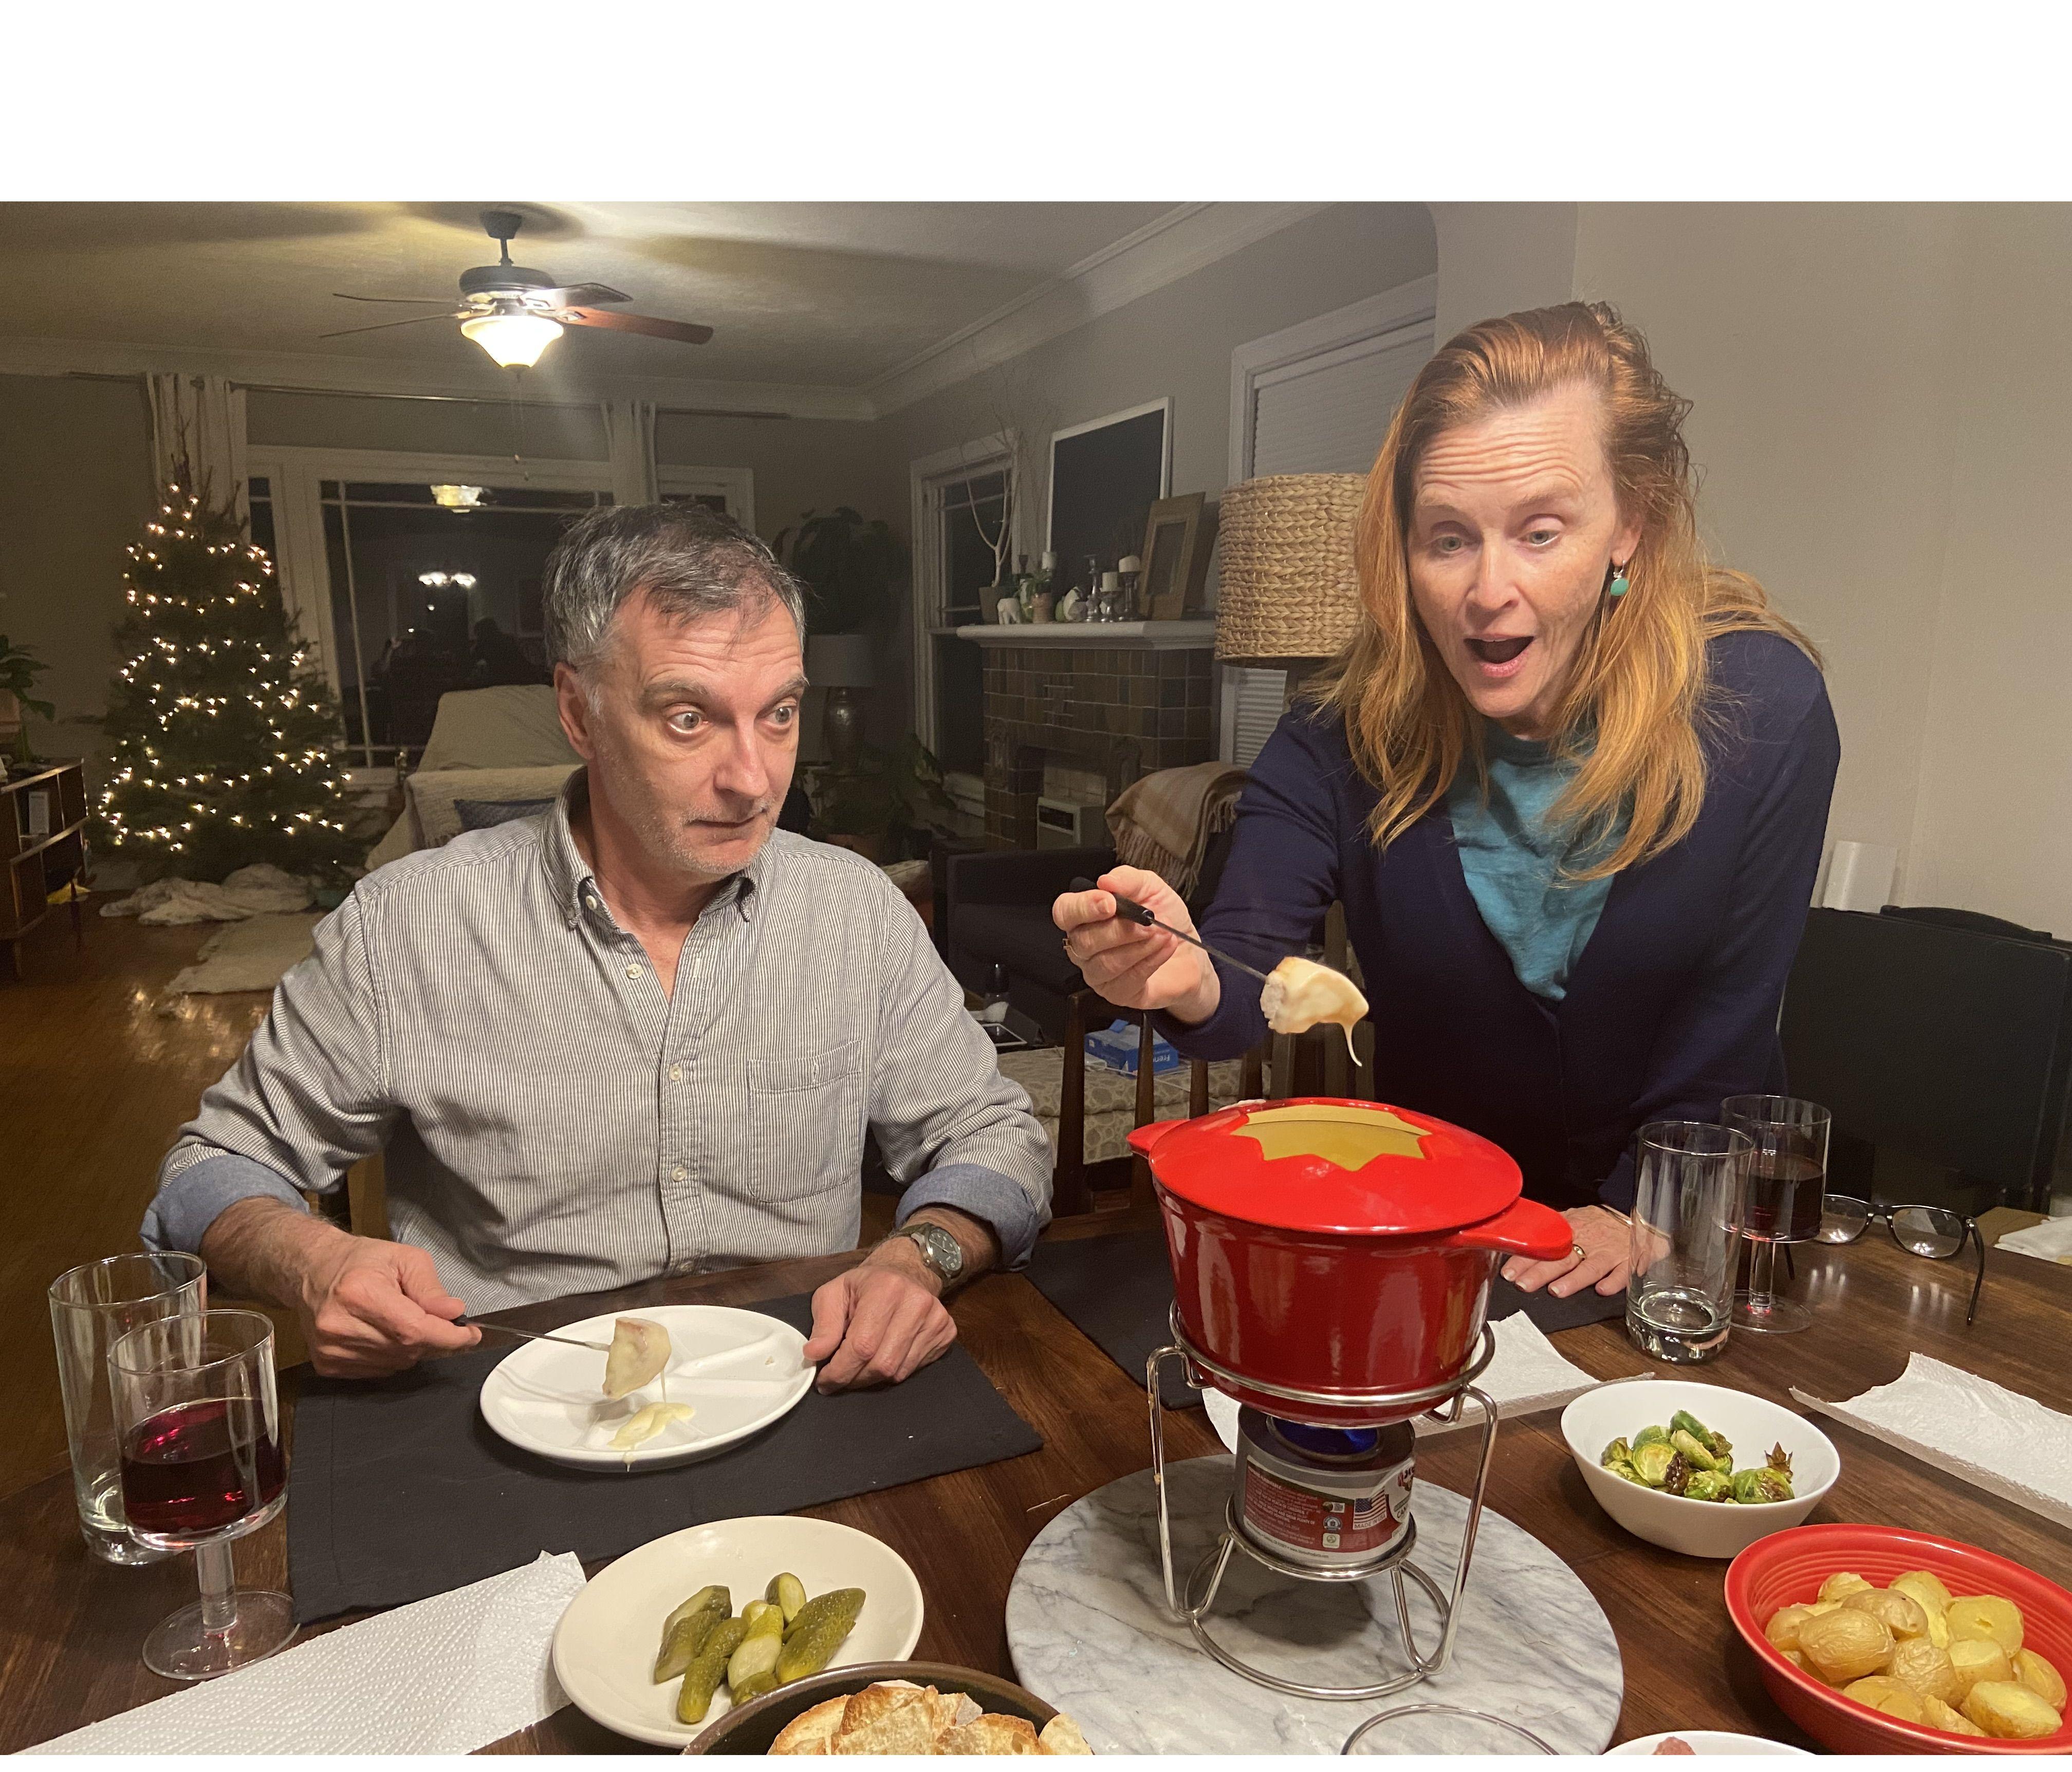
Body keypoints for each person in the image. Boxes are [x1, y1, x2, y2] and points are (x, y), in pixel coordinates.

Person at [145, 503, 1051, 1388]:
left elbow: (994, 1134)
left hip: (799, 1384)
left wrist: (918, 1256)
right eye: (688, 717)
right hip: (504, 1406)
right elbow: (205, 1175)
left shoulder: (854, 913)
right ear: (578, 713)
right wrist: (314, 1262)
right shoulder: (404, 930)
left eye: (778, 715)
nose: (752, 781)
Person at [1055, 303, 1839, 1302]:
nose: (1488, 590)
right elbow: (1246, 971)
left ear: (1630, 521)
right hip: (1448, 1236)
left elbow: (1729, 1025)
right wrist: (1178, 973)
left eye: (1542, 530)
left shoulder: (1763, 711)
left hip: (1679, 1237)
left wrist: (1636, 1207)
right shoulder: (1337, 732)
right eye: (1449, 538)